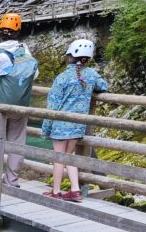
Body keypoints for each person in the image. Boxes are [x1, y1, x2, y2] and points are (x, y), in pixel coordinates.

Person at [41, 39, 108, 202]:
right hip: (78, 125)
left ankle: (56, 191)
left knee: (59, 157)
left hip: (60, 125)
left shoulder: (62, 77)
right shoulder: (91, 75)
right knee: (69, 155)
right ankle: (76, 190)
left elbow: (52, 106)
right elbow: (103, 86)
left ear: (70, 56)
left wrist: (46, 128)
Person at [0, 12, 38, 187]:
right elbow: (34, 74)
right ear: (18, 32)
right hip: (20, 105)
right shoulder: (25, 50)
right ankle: (12, 179)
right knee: (17, 142)